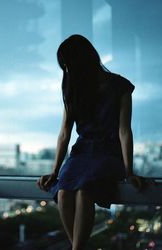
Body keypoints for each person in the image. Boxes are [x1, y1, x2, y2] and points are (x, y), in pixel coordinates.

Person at [36, 34, 144, 250]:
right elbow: (64, 133)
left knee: (85, 192)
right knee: (64, 193)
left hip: (109, 152)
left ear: (80, 61)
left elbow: (124, 131)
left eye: (67, 64)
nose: (66, 70)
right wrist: (55, 171)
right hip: (82, 152)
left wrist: (128, 170)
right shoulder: (73, 89)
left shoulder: (120, 86)